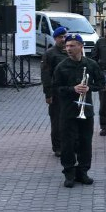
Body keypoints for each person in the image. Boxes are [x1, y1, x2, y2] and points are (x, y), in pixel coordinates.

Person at [53, 34, 105, 187]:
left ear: (81, 46)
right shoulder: (61, 66)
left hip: (86, 110)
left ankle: (83, 172)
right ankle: (69, 173)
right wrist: (72, 89)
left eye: (72, 46)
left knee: (85, 142)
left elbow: (101, 83)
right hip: (68, 111)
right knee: (67, 144)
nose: (68, 49)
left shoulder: (91, 64)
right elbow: (56, 88)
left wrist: (89, 88)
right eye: (67, 46)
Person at [41, 26, 68, 156]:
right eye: (60, 37)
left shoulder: (70, 51)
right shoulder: (50, 53)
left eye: (64, 36)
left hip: (69, 92)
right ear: (55, 38)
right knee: (56, 120)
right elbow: (46, 75)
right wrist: (48, 93)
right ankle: (57, 147)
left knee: (69, 120)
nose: (63, 39)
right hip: (56, 92)